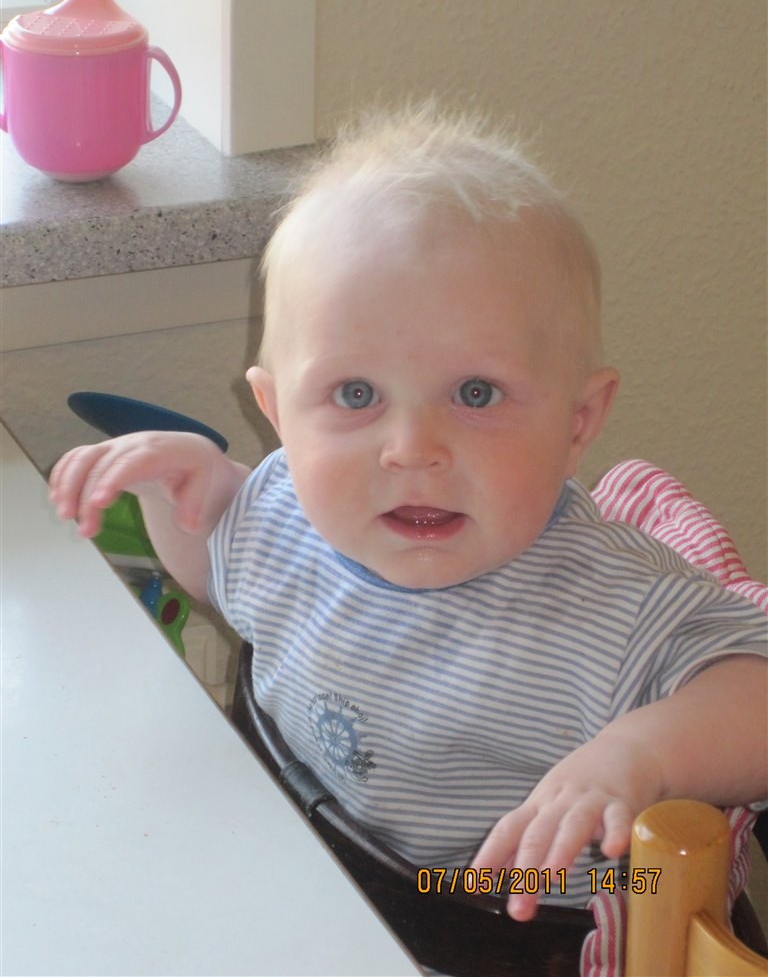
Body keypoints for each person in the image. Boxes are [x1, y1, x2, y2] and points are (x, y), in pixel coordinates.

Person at [49, 106, 767, 926]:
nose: (412, 449)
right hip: (320, 877)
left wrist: (637, 757)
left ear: (577, 422)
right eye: (356, 394)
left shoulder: (613, 607)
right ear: (277, 412)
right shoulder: (287, 514)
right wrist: (182, 495)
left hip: (513, 936)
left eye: (476, 393)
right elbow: (223, 575)